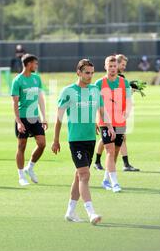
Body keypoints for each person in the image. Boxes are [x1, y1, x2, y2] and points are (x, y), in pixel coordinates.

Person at [52, 58, 115, 225]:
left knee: (79, 176)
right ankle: (91, 213)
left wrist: (109, 126)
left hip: (90, 139)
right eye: (87, 73)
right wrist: (55, 140)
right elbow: (58, 119)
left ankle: (70, 211)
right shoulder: (68, 91)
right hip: (76, 140)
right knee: (85, 175)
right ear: (78, 72)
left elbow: (102, 111)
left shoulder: (95, 90)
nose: (90, 76)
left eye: (92, 73)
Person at [94, 54, 139, 172]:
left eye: (114, 66)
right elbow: (94, 104)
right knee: (109, 149)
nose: (113, 68)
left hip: (120, 122)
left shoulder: (124, 82)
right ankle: (110, 175)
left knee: (117, 149)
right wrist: (94, 120)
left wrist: (127, 112)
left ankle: (108, 176)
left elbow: (129, 101)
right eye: (110, 66)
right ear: (105, 66)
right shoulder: (98, 84)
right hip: (104, 122)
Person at [11, 54, 47, 186]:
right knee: (21, 146)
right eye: (35, 64)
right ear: (28, 64)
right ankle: (21, 175)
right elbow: (14, 103)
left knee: (42, 144)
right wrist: (19, 122)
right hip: (23, 117)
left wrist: (43, 117)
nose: (36, 66)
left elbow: (40, 99)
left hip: (35, 117)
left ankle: (30, 167)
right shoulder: (17, 80)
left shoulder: (37, 79)